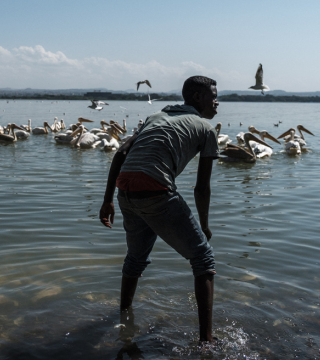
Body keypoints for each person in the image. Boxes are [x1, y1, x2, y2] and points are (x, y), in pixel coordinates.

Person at [99, 75, 220, 342]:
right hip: (155, 191)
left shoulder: (156, 116)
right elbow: (201, 188)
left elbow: (120, 153)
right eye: (213, 96)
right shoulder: (206, 129)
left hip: (125, 191)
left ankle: (124, 316)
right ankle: (207, 341)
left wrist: (107, 200)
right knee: (204, 260)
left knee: (135, 258)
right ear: (198, 97)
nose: (217, 102)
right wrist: (205, 225)